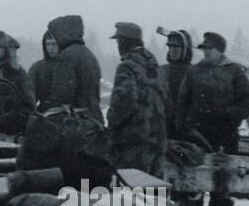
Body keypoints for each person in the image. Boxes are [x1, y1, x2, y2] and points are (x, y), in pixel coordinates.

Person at [177, 32, 249, 206]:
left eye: (210, 49)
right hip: (196, 137)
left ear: (220, 51)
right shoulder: (194, 72)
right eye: (204, 48)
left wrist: (229, 114)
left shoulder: (234, 72)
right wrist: (182, 127)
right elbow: (182, 103)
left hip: (225, 137)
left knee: (221, 187)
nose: (206, 52)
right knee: (192, 186)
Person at [106, 22, 168, 175]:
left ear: (126, 42)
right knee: (154, 195)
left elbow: (124, 103)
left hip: (132, 145)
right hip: (157, 143)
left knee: (129, 196)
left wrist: (111, 124)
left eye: (119, 41)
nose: (118, 46)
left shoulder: (127, 67)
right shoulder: (156, 68)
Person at [25, 15, 102, 123]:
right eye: (48, 44)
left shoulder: (67, 56)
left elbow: (60, 97)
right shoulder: (89, 56)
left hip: (75, 122)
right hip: (92, 120)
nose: (51, 47)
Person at [160, 29, 194, 139]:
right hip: (163, 128)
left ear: (185, 49)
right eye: (170, 47)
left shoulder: (195, 72)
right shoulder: (161, 71)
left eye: (176, 47)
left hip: (188, 130)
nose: (172, 50)